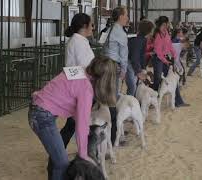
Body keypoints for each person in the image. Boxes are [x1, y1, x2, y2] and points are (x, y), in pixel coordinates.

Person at [28, 56, 117, 180]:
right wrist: (83, 154)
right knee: (62, 163)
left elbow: (61, 86)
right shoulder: (86, 89)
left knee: (58, 158)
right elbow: (81, 124)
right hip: (42, 116)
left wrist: (43, 94)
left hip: (39, 110)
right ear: (105, 80)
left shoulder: (80, 70)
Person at [45, 13, 95, 180]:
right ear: (85, 26)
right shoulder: (78, 42)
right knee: (72, 127)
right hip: (77, 89)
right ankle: (59, 161)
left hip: (76, 88)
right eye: (91, 25)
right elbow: (85, 68)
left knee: (71, 127)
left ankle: (59, 158)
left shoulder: (79, 41)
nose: (93, 28)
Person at [103, 6, 129, 144]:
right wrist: (124, 70)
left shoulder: (109, 28)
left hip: (104, 65)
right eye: (126, 15)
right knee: (114, 99)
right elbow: (124, 54)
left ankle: (112, 130)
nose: (128, 18)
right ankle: (115, 136)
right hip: (114, 66)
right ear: (120, 17)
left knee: (106, 99)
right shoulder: (120, 32)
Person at [152, 16, 189, 107]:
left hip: (165, 59)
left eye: (166, 24)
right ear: (159, 25)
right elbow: (158, 51)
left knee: (173, 78)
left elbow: (170, 46)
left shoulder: (167, 34)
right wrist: (165, 61)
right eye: (163, 25)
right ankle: (153, 100)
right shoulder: (157, 35)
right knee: (157, 79)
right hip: (158, 59)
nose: (165, 26)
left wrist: (175, 56)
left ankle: (178, 101)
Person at [126, 20, 154, 96]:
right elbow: (134, 58)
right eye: (151, 30)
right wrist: (138, 71)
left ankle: (134, 100)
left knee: (135, 83)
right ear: (148, 31)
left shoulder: (143, 39)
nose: (152, 33)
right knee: (132, 85)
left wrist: (143, 68)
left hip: (133, 62)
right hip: (128, 61)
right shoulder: (137, 40)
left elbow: (142, 55)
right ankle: (130, 101)